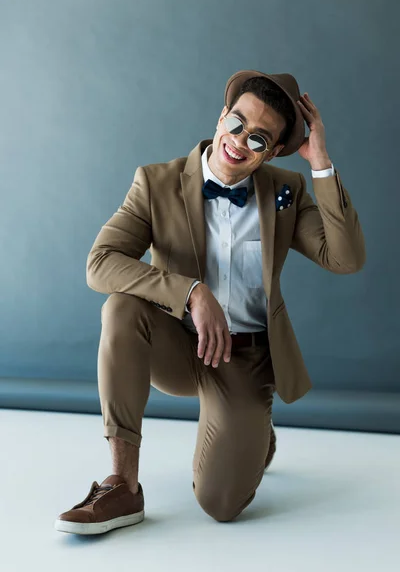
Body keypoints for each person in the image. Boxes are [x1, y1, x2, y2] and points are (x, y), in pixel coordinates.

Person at [55, 70, 366, 535]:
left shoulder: (287, 191)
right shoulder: (155, 182)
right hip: (178, 346)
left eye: (258, 139)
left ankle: (254, 433)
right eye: (237, 123)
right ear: (222, 117)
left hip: (246, 359)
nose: (239, 142)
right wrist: (190, 292)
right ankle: (122, 485)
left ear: (276, 150)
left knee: (221, 506)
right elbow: (100, 263)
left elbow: (345, 259)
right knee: (121, 307)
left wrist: (319, 162)